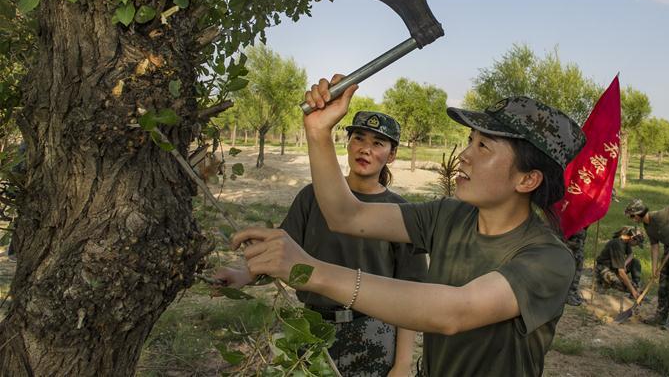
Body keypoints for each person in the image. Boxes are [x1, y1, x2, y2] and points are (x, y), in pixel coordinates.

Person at [231, 79, 586, 376]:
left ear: (527, 180)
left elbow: (453, 312)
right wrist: (319, 133)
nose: (464, 154)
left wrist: (311, 272)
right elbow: (347, 215)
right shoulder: (448, 216)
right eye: (469, 141)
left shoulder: (549, 260)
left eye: (483, 146)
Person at [216, 110, 427, 377]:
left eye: (378, 143)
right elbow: (281, 256)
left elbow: (410, 296)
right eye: (359, 138)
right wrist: (241, 276)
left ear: (392, 155)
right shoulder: (312, 197)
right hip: (311, 328)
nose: (365, 149)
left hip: (374, 334)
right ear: (347, 143)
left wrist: (402, 365)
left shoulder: (401, 213)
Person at [625, 198, 669, 330]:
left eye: (632, 216)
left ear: (638, 214)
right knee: (664, 280)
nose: (632, 219)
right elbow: (654, 246)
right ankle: (661, 316)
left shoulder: (658, 216)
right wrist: (654, 269)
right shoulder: (647, 226)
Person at [594, 226, 643, 299]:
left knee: (635, 262)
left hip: (615, 267)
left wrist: (624, 264)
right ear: (632, 239)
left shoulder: (626, 240)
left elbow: (631, 255)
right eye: (636, 244)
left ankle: (636, 287)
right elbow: (621, 272)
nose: (635, 246)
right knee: (626, 286)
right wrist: (632, 290)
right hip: (604, 269)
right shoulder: (618, 244)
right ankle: (601, 282)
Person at [564, 228, 588, 306]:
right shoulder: (572, 222)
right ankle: (567, 295)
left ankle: (573, 292)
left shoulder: (583, 224)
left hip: (578, 251)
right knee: (569, 272)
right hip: (570, 250)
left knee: (577, 273)